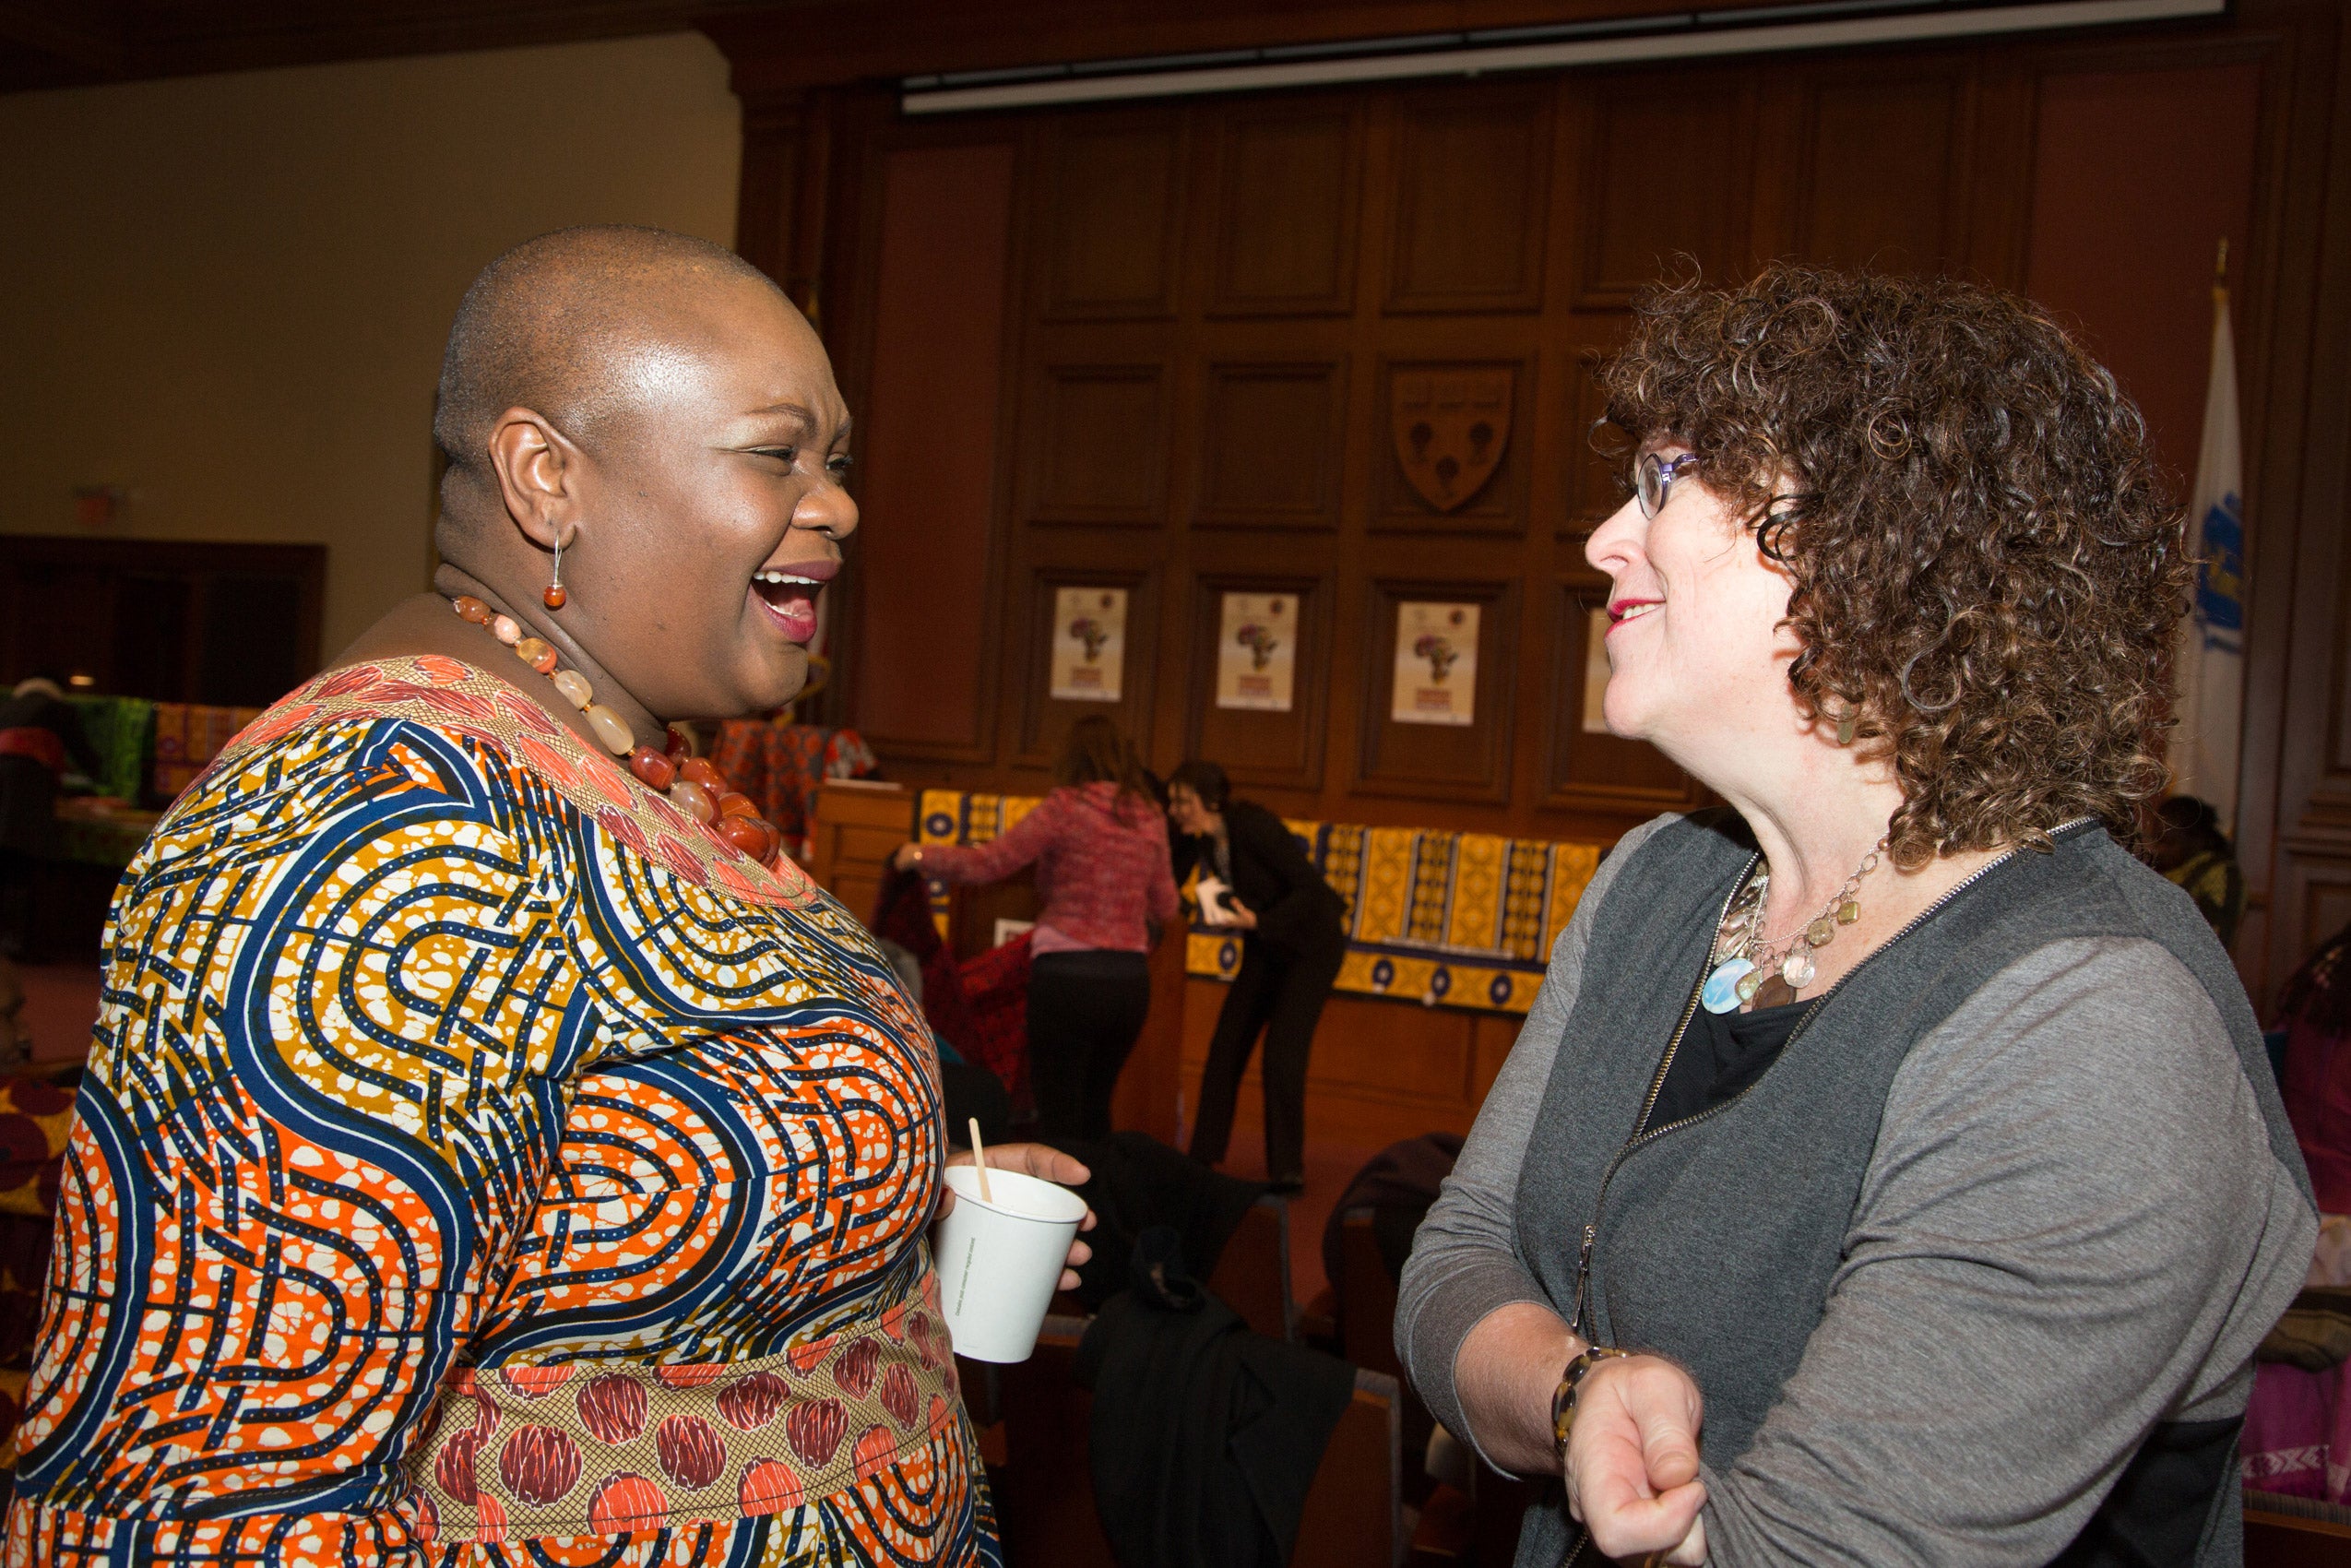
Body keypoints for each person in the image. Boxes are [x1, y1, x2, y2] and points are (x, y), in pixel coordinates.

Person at [5, 226, 1088, 1566]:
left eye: (838, 460)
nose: (841, 505)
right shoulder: (382, 829)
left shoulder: (622, 763)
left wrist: (894, 1194)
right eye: (776, 452)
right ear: (545, 477)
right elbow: (213, 1495)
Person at [1394, 265, 2314, 1566]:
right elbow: (1461, 1257)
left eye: (1663, 481)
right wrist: (1569, 1390)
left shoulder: (2093, 1025)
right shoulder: (1660, 882)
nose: (1605, 538)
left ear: (1878, 544)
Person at [890, 715, 1177, 1142]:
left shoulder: (1065, 807)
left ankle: (1065, 1204)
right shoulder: (1149, 816)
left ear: (1073, 758)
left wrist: (918, 856)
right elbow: (1167, 906)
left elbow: (990, 864)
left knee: (1058, 1115)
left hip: (1066, 980)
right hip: (1127, 984)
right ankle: (1100, 1205)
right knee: (1097, 1109)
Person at [1165, 761, 1346, 1194]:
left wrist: (1259, 920)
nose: (1174, 810)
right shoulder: (1200, 839)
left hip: (1311, 948)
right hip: (1265, 947)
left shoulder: (1253, 826)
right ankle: (1202, 1158)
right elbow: (1169, 880)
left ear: (1210, 801)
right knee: (1226, 1045)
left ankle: (1287, 1171)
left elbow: (1312, 891)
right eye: (1171, 801)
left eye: (1182, 801)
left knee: (1282, 1053)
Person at [0, 677, 99, 961]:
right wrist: (98, 780)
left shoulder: (7, 707)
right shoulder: (58, 709)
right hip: (27, 792)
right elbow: (82, 753)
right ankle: (17, 944)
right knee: (22, 863)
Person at [2149, 793, 2248, 947]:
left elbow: (2217, 939)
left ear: (2195, 839)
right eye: (2158, 841)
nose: (2159, 850)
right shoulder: (2163, 869)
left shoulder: (2221, 874)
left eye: (2169, 843)